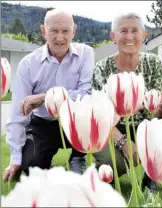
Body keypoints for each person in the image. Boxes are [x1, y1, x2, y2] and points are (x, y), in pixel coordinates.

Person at [3, 9, 94, 182]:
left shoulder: (85, 54)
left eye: (65, 31)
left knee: (88, 113)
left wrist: (45, 97)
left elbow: (85, 94)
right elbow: (17, 114)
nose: (60, 38)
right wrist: (15, 159)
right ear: (44, 31)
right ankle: (46, 171)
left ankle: (77, 158)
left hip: (75, 121)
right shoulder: (28, 64)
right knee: (30, 165)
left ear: (73, 31)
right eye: (54, 31)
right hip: (43, 124)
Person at [92, 12, 162, 190]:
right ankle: (99, 176)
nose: (129, 37)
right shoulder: (101, 69)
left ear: (144, 36)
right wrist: (123, 143)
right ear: (113, 37)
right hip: (112, 129)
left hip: (145, 125)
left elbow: (155, 113)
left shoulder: (153, 65)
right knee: (112, 161)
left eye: (135, 31)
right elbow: (101, 115)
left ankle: (152, 177)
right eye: (123, 31)